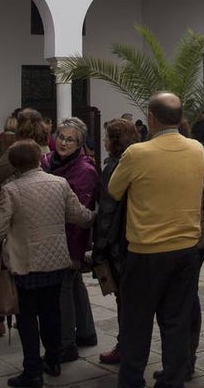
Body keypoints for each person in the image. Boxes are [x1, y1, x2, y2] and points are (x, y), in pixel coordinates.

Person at [107, 92, 204, 388]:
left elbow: (114, 190)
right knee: (176, 322)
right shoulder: (196, 149)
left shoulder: (137, 153)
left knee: (136, 323)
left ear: (151, 118)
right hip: (186, 249)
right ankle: (173, 380)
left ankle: (132, 381)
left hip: (146, 251)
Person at [0, 139, 93, 388]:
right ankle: (53, 361)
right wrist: (97, 218)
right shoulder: (60, 183)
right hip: (55, 262)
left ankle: (32, 370)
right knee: (51, 313)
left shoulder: (11, 190)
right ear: (38, 159)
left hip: (26, 263)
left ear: (14, 164)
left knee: (26, 318)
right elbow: (79, 215)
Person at [42, 117, 99, 364]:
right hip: (51, 234)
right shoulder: (47, 162)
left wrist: (75, 252)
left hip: (70, 237)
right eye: (61, 137)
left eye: (70, 139)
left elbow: (78, 213)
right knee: (74, 285)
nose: (64, 143)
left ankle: (66, 345)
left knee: (64, 288)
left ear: (80, 144)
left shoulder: (85, 171)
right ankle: (86, 333)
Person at [92, 117, 141, 366]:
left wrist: (99, 250)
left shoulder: (114, 167)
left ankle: (127, 348)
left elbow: (107, 211)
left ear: (113, 141)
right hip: (133, 239)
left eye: (106, 137)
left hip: (118, 243)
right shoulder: (138, 161)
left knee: (125, 300)